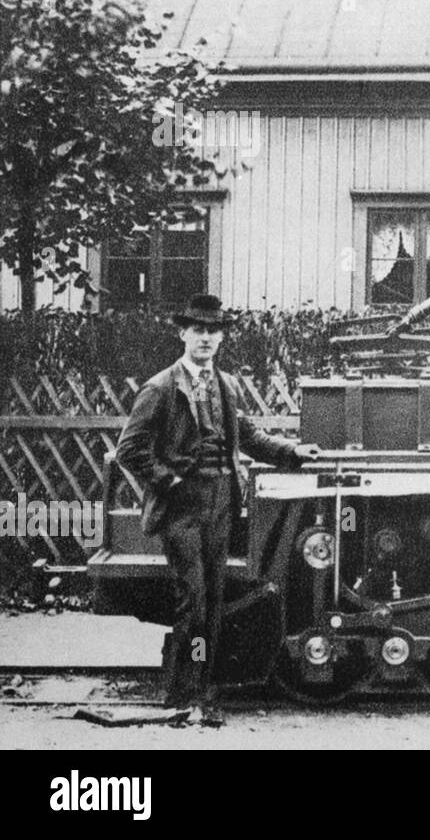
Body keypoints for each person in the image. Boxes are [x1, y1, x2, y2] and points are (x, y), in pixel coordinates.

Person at [116, 294, 319, 726]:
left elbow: (249, 437)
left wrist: (294, 452)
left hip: (223, 502)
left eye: (213, 331)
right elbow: (129, 451)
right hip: (182, 508)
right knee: (192, 599)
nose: (206, 338)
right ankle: (182, 692)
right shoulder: (161, 387)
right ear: (183, 333)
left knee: (213, 601)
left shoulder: (225, 384)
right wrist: (170, 481)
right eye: (198, 330)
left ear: (221, 337)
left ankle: (206, 690)